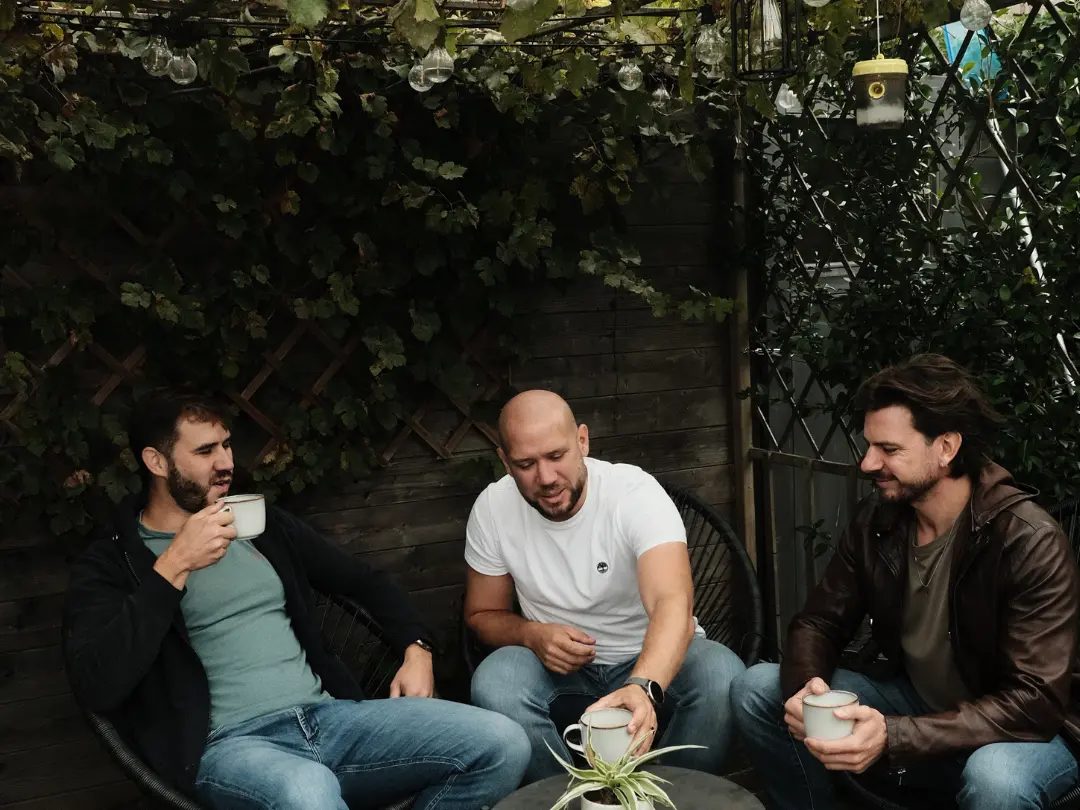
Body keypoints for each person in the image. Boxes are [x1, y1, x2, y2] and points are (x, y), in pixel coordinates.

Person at [63, 389, 530, 810]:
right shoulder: (114, 563)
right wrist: (173, 566)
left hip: (331, 720)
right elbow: (98, 683)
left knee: (501, 742)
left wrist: (416, 648)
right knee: (307, 790)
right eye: (205, 451)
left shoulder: (263, 529)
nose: (225, 462)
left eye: (226, 444)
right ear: (156, 462)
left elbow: (366, 581)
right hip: (230, 747)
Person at [731, 354, 1080, 810]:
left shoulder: (1027, 541)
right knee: (757, 688)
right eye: (870, 445)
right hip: (920, 702)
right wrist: (807, 689)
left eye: (889, 450)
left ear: (947, 447)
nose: (867, 463)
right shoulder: (879, 521)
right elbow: (819, 622)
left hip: (1029, 732)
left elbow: (1034, 702)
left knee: (997, 779)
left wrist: (895, 735)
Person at [464, 389, 746, 784]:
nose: (545, 479)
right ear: (505, 461)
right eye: (526, 464)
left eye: (556, 456)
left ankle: (662, 799)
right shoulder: (493, 508)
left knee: (722, 674)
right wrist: (531, 634)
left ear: (582, 441)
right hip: (557, 672)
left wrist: (644, 686)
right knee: (495, 679)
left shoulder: (634, 493)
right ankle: (575, 801)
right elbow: (481, 614)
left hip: (647, 662)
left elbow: (672, 604)